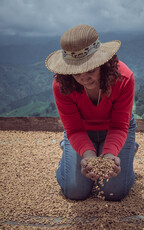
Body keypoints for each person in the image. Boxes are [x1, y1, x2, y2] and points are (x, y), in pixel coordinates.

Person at [45, 24, 138, 201]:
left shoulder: (124, 79)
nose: (84, 78)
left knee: (114, 192)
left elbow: (119, 125)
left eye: (91, 70)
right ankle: (68, 152)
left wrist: (110, 155)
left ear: (104, 64)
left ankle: (128, 151)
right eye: (76, 73)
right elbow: (74, 129)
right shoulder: (61, 85)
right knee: (75, 192)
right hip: (81, 130)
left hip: (116, 129)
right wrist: (88, 155)